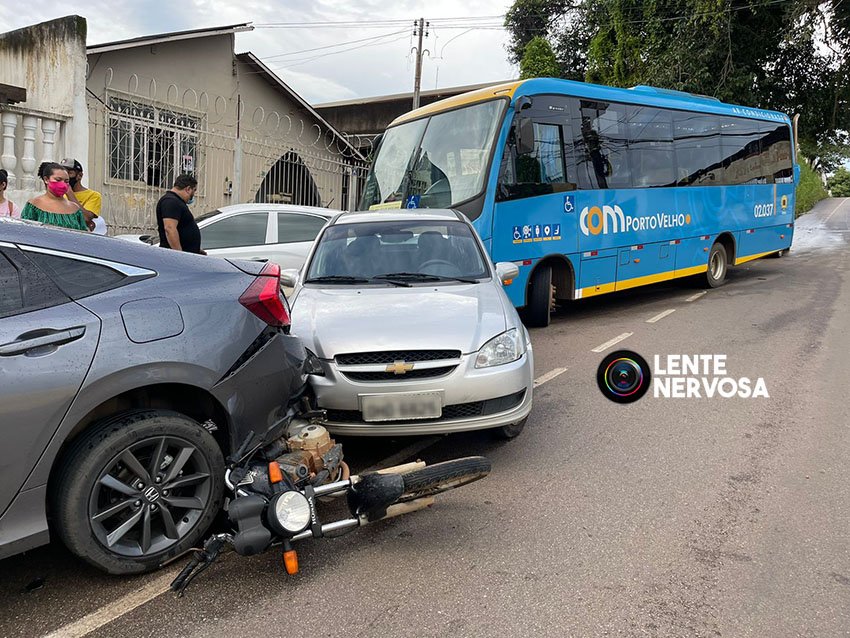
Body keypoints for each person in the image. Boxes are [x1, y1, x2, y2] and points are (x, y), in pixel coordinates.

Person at [21, 162, 89, 231]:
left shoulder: (75, 209)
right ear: (46, 180)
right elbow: (25, 232)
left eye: (66, 181)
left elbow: (83, 235)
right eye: (58, 180)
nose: (63, 184)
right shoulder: (34, 205)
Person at [156, 174, 204, 254]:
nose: (193, 195)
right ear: (188, 189)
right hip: (174, 257)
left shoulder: (177, 201)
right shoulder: (171, 201)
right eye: (194, 190)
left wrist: (196, 250)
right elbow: (170, 228)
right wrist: (180, 255)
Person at [60, 158, 102, 233]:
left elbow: (86, 218)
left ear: (79, 175)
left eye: (69, 173)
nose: (65, 177)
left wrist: (70, 194)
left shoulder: (93, 195)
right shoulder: (59, 195)